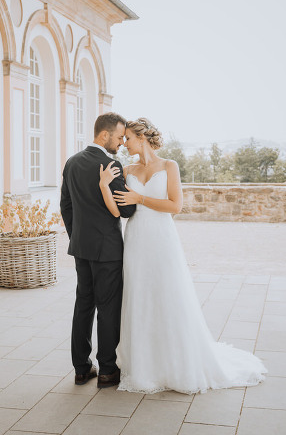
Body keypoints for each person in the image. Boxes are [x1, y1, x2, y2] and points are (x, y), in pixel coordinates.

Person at [99, 117, 267, 394]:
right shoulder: (126, 170)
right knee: (139, 296)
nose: (125, 143)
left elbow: (175, 206)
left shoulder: (169, 166)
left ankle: (176, 362)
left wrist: (140, 198)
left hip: (162, 239)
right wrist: (105, 186)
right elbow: (118, 210)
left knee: (168, 294)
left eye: (128, 138)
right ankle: (145, 365)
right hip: (136, 240)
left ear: (142, 138)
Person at [60, 112, 136, 389]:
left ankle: (81, 369)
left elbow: (66, 206)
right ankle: (107, 370)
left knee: (83, 305)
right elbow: (127, 209)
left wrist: (78, 237)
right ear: (104, 135)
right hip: (108, 250)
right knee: (108, 308)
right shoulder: (110, 164)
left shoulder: (72, 162)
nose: (121, 142)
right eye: (119, 137)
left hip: (81, 248)